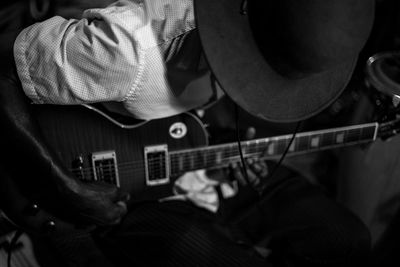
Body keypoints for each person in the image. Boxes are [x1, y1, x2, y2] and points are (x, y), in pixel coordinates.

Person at [0, 0, 375, 266]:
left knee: (347, 241)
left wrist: (229, 154)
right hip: (117, 191)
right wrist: (65, 187)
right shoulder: (129, 49)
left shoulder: (282, 42)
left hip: (192, 157)